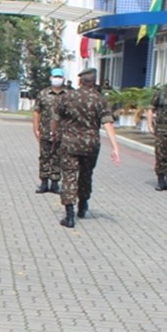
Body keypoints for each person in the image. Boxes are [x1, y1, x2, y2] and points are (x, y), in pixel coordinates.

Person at [55, 67, 120, 228]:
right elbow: (108, 123)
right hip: (91, 144)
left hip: (70, 143)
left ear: (79, 81)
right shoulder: (100, 99)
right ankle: (83, 204)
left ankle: (69, 214)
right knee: (86, 174)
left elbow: (56, 118)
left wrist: (55, 133)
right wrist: (115, 147)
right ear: (94, 82)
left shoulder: (67, 97)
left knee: (69, 175)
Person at [33, 67, 68, 194]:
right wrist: (35, 128)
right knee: (44, 156)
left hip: (62, 132)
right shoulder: (43, 93)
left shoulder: (68, 94)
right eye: (55, 77)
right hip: (45, 130)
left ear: (63, 79)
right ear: (51, 78)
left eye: (59, 77)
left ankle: (55, 182)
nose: (57, 79)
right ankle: (44, 182)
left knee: (58, 157)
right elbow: (37, 112)